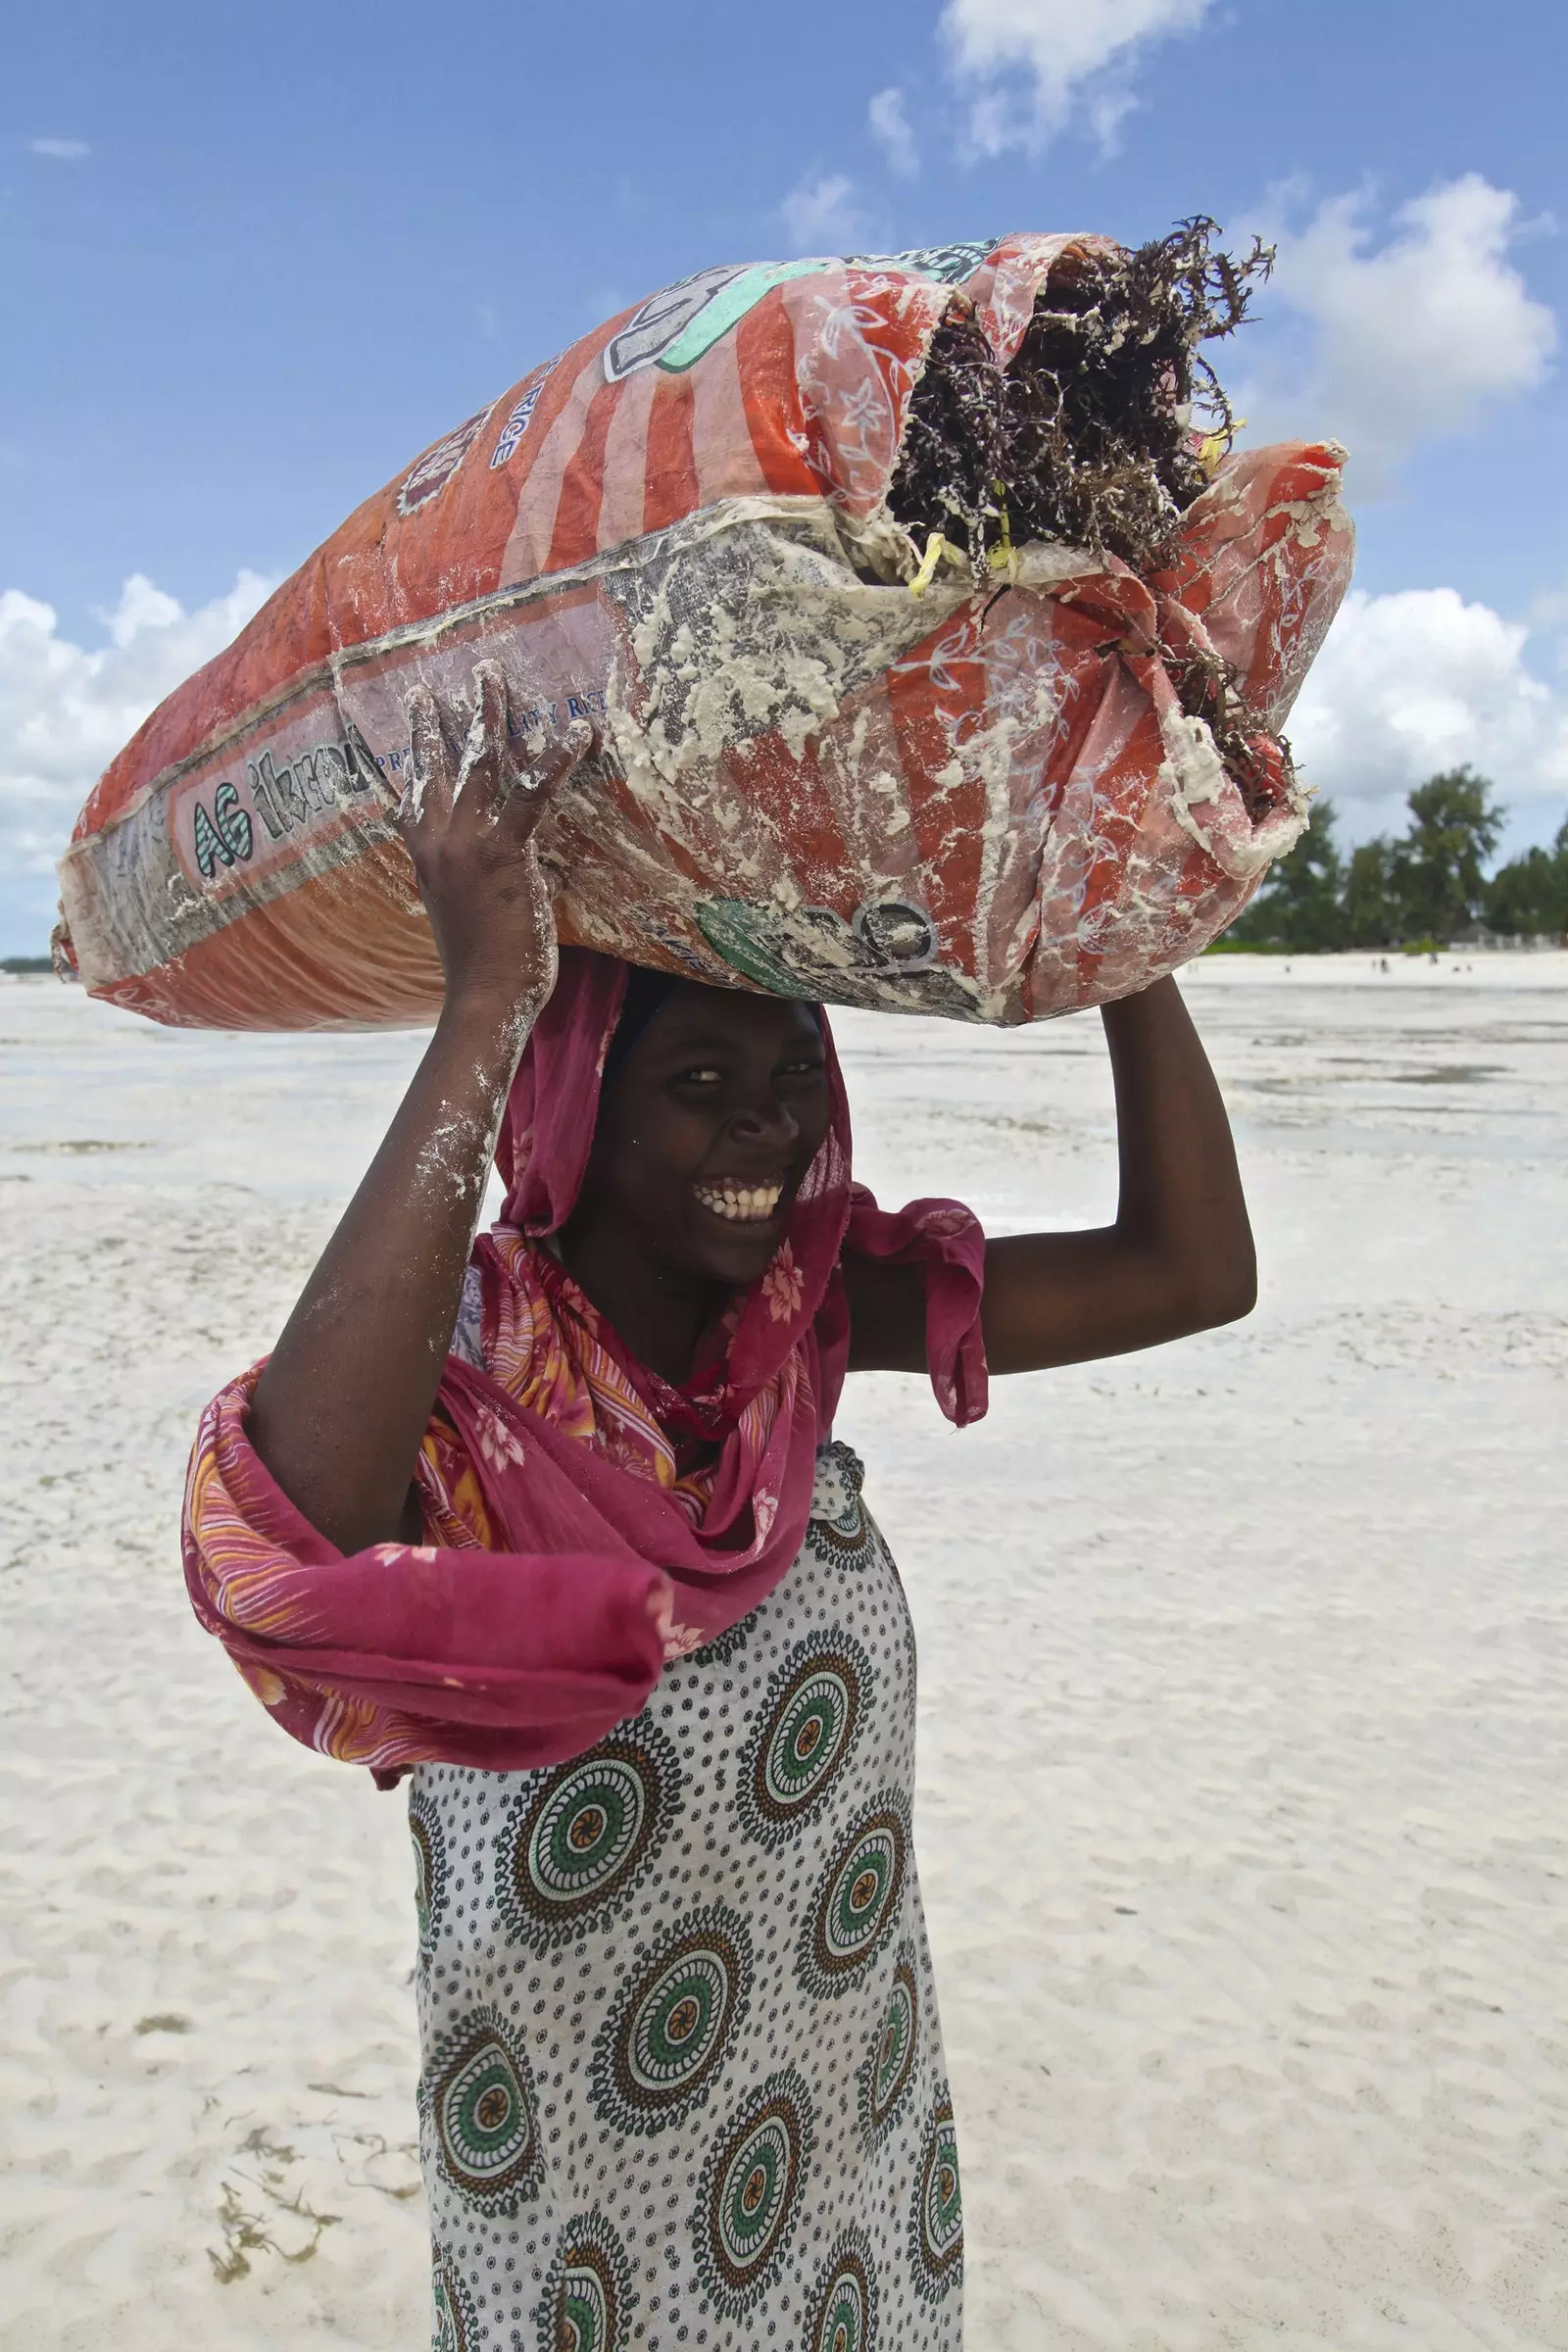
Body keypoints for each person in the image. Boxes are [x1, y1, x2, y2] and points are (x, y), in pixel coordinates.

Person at [182, 663, 1256, 2351]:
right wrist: (485, 1007)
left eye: (790, 1079)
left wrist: (1129, 934)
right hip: (578, 2204)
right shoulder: (460, 1375)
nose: (763, 1125)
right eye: (694, 1084)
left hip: (843, 2140)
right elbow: (293, 1534)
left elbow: (1191, 1272)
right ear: (575, 1107)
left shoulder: (809, 1329)